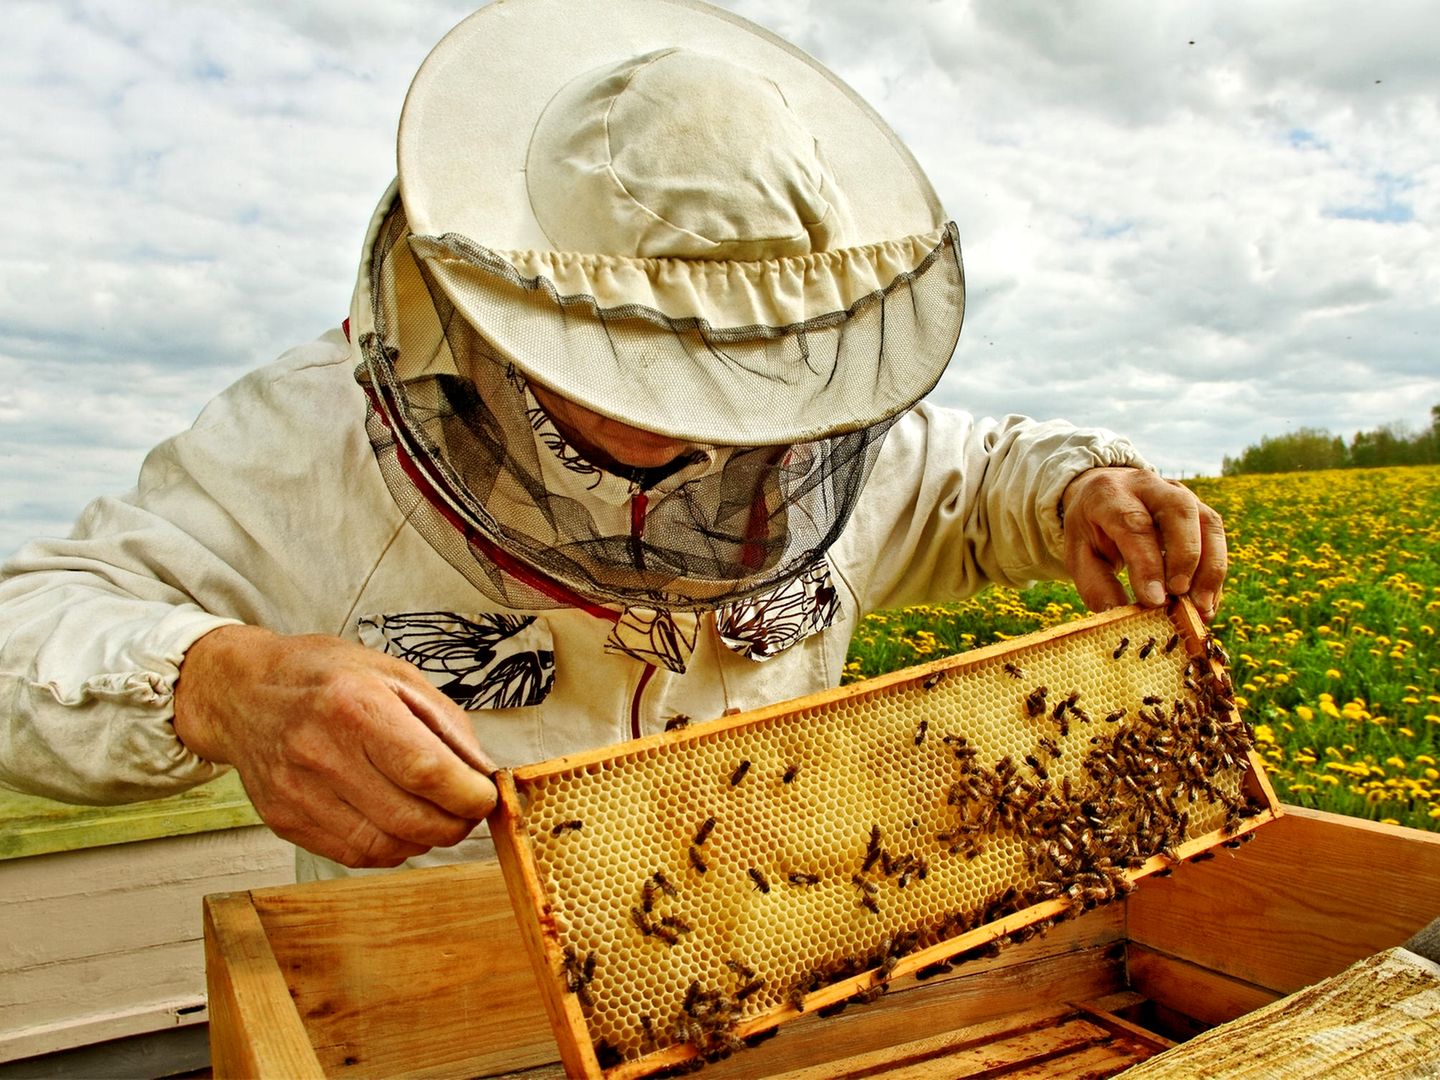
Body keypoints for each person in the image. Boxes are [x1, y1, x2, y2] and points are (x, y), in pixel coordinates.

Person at [0, 0, 1224, 881]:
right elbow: (30, 625)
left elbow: (971, 479)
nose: (701, 425)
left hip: (781, 965)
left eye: (738, 373)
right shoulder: (300, 437)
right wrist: (222, 682)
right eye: (646, 368)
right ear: (515, 315)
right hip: (448, 1009)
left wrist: (1081, 486)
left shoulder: (812, 430)